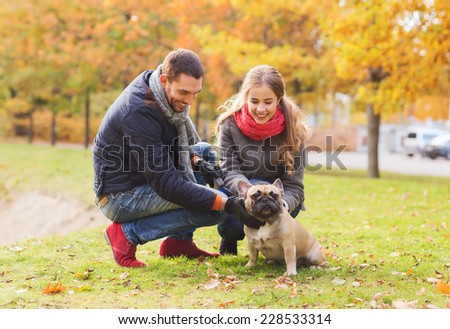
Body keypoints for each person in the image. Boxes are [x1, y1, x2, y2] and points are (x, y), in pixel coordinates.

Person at [93, 49, 262, 268]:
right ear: (165, 80)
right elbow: (166, 184)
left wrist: (195, 160)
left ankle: (178, 243)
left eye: (195, 93)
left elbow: (172, 147)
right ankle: (126, 234)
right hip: (120, 196)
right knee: (213, 210)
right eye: (184, 92)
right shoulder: (138, 112)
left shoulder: (160, 93)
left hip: (144, 178)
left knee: (203, 151)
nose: (189, 100)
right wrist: (227, 203)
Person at [215, 64, 309, 255]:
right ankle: (229, 237)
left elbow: (295, 185)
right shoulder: (229, 125)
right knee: (232, 225)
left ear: (279, 99)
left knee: (278, 217)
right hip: (241, 192)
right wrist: (249, 193)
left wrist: (283, 204)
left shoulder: (295, 131)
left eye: (268, 102)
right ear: (246, 98)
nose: (260, 108)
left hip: (278, 197)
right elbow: (230, 170)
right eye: (254, 101)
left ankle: (275, 246)